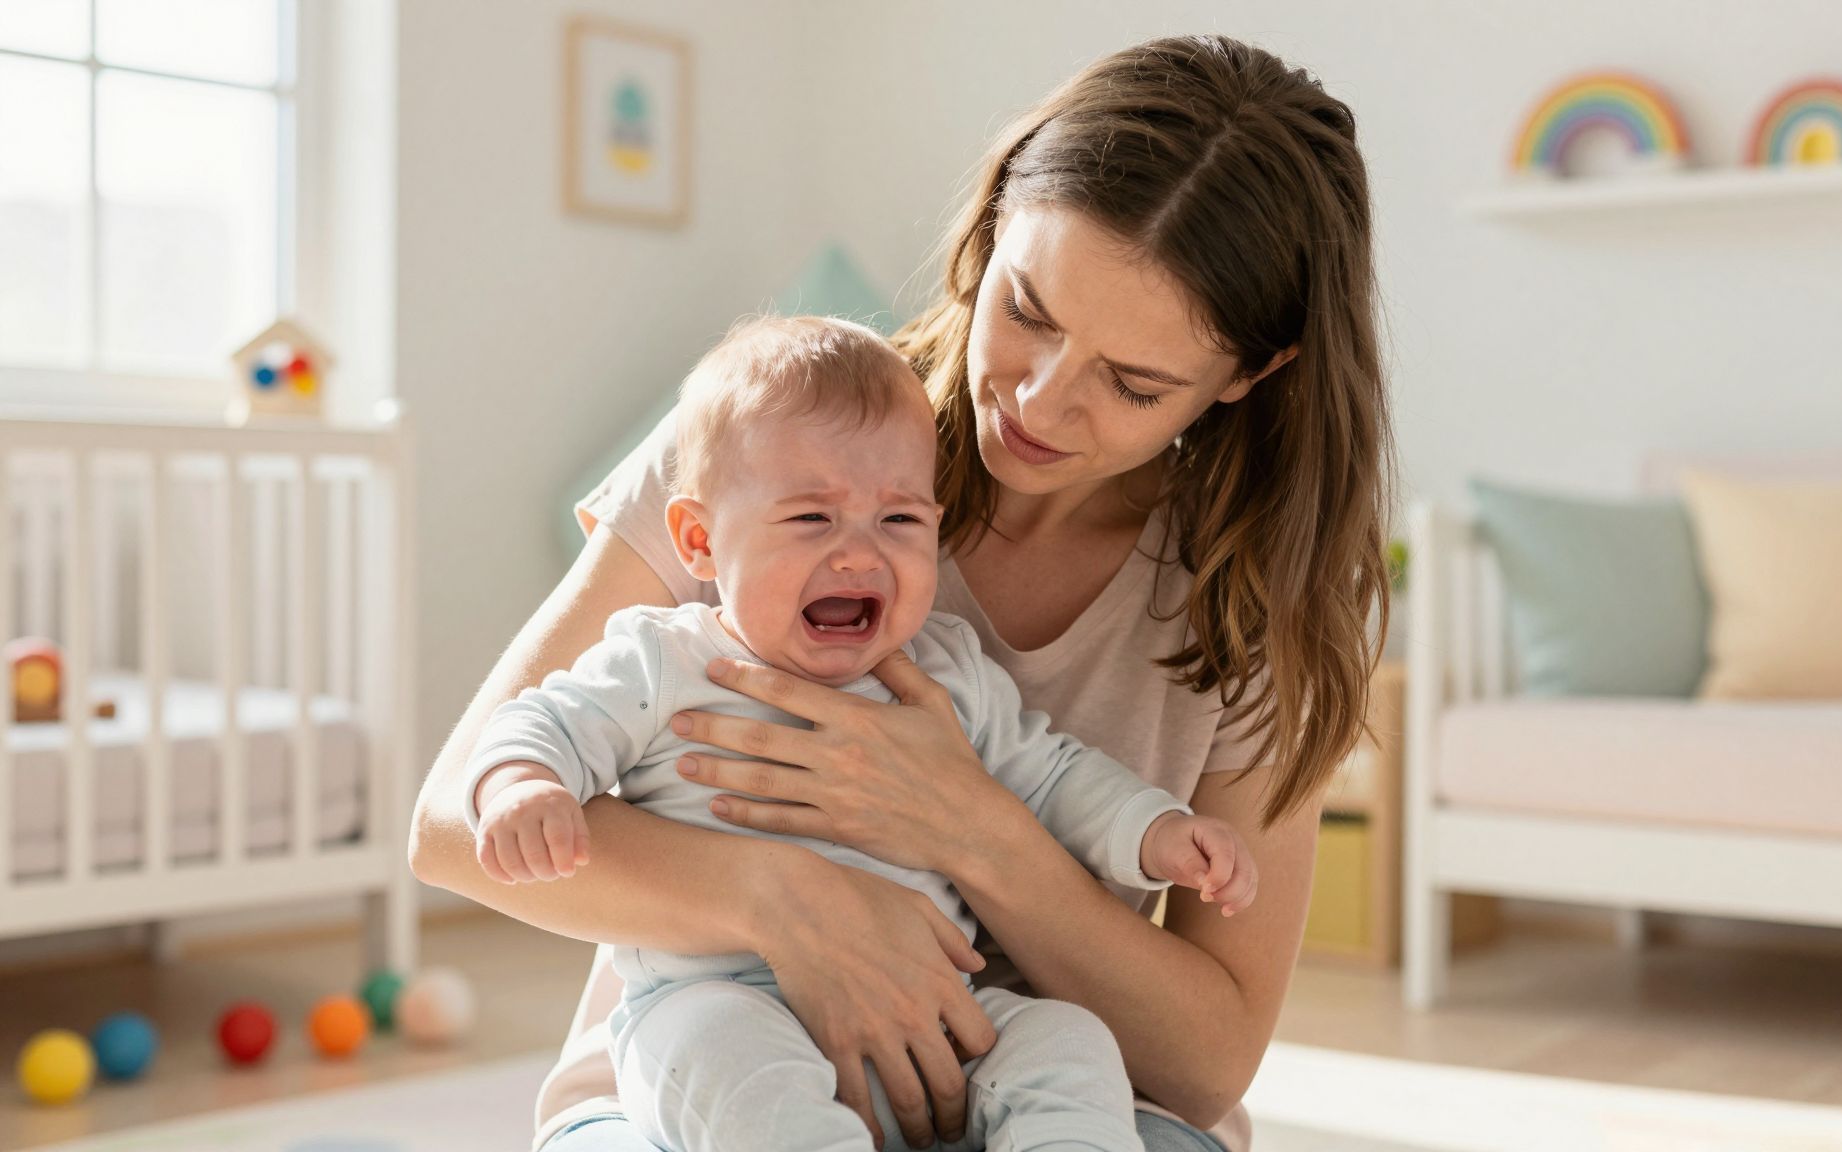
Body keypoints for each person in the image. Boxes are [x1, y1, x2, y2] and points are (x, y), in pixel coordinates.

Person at [408, 32, 1391, 1152]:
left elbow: (1206, 1065)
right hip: (710, 1079)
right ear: (989, 230)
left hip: (1036, 1085)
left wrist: (973, 829)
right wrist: (792, 904)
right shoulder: (767, 449)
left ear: (1249, 377)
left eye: (1130, 383)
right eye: (1026, 307)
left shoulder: (1250, 602)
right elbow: (450, 829)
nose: (1037, 398)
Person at [467, 315, 1256, 1152]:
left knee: (1066, 1043)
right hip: (724, 999)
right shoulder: (663, 661)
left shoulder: (943, 670)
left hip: (938, 1013)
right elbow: (541, 720)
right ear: (700, 540)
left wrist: (1154, 832)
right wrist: (523, 781)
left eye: (901, 523)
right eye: (812, 519)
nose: (859, 556)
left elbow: (1054, 776)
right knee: (725, 1057)